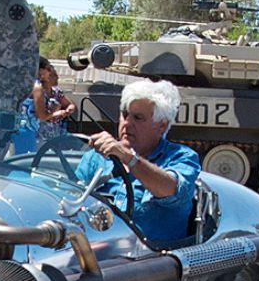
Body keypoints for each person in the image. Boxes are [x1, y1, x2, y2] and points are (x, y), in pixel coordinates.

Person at [73, 78, 200, 245]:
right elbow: (71, 198)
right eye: (125, 115)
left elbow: (171, 189)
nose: (127, 123)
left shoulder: (181, 157)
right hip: (98, 253)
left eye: (138, 118)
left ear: (161, 126)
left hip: (152, 261)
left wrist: (129, 158)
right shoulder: (96, 158)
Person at [24, 57, 72, 143]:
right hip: (36, 134)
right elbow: (42, 116)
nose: (50, 72)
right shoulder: (38, 88)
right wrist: (57, 112)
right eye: (48, 69)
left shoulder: (29, 83)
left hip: (28, 131)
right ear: (40, 70)